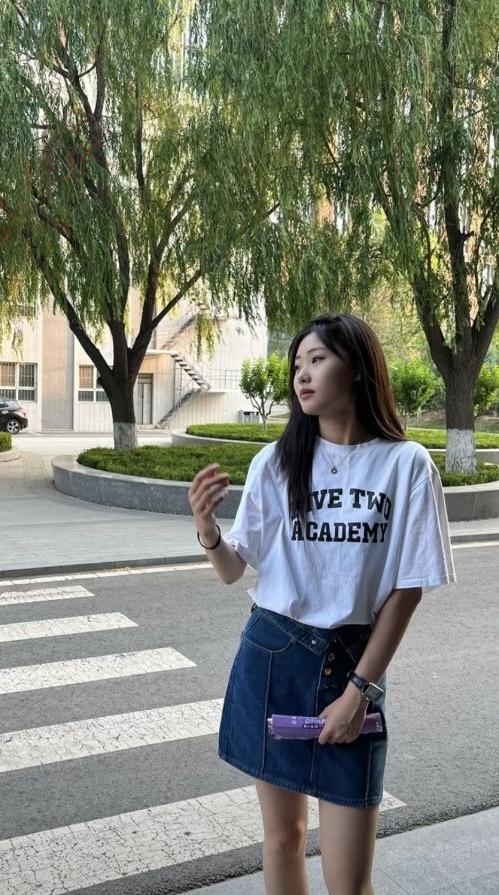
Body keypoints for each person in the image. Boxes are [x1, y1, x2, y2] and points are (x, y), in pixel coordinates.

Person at [188, 313, 457, 895]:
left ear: (356, 367)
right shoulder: (275, 462)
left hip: (352, 664)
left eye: (317, 360)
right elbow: (234, 570)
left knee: (349, 881)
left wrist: (359, 692)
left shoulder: (406, 464)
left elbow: (407, 588)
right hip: (274, 656)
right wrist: (207, 529)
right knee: (282, 840)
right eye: (297, 365)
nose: (302, 375)